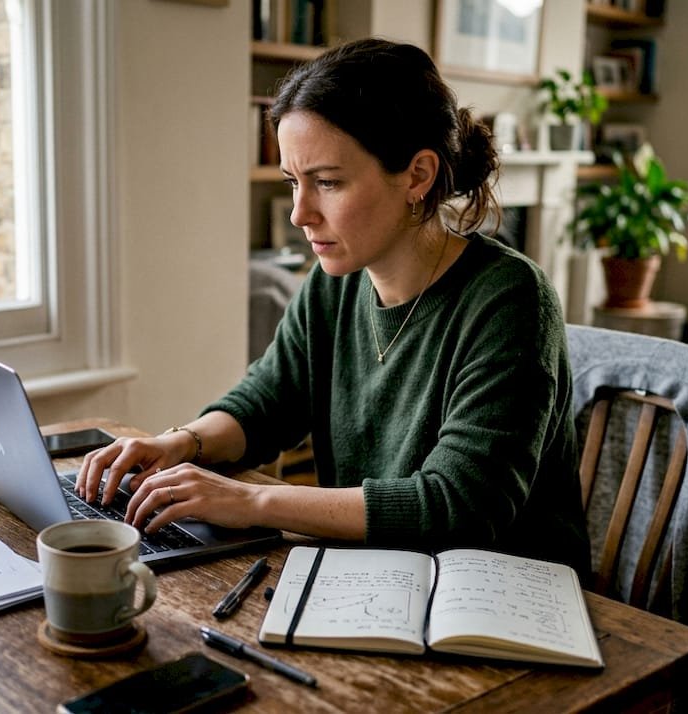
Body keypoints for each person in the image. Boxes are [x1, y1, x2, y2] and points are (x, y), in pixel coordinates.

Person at [77, 38, 589, 574]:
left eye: (327, 182)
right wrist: (179, 444)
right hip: (385, 576)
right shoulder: (336, 282)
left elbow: (460, 505)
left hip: (498, 599)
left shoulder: (510, 298)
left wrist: (250, 501)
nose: (300, 213)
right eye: (293, 182)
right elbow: (268, 402)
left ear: (418, 175)